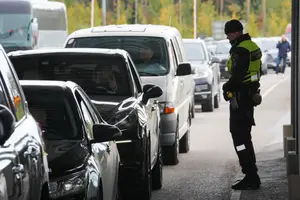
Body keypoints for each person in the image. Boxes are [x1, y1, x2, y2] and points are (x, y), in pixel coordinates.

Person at [222, 19, 262, 190]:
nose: (227, 38)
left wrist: (226, 86)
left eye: (229, 34)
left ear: (237, 33)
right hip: (250, 94)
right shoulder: (252, 46)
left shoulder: (240, 49)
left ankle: (251, 175)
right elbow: (255, 72)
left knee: (239, 137)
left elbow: (237, 76)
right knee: (245, 135)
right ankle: (251, 174)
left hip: (240, 98)